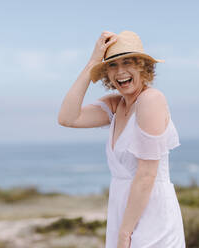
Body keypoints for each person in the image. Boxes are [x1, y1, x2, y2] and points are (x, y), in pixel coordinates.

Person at [58, 30, 185, 248]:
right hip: (123, 212)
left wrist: (125, 233)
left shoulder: (151, 100)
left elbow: (146, 174)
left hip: (152, 216)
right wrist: (92, 62)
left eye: (128, 62)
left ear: (143, 67)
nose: (120, 72)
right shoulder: (116, 105)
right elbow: (67, 117)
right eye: (112, 65)